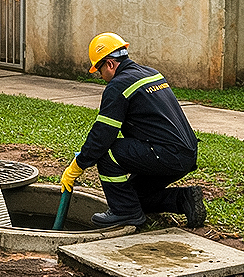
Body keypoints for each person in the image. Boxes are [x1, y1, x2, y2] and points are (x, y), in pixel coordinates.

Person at [60, 32, 206, 228]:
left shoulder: (118, 86)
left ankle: (125, 213)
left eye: (99, 70)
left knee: (107, 153)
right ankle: (183, 199)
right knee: (131, 197)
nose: (101, 76)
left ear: (110, 64)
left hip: (166, 154)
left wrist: (77, 166)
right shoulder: (151, 73)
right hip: (185, 154)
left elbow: (102, 135)